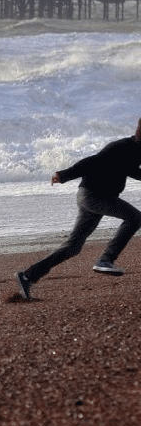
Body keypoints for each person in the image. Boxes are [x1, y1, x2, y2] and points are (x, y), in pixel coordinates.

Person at [16, 118, 141, 300]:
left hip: (94, 197)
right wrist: (64, 174)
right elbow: (92, 161)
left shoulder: (135, 150)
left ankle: (28, 276)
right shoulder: (121, 146)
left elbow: (132, 171)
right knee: (135, 218)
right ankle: (106, 260)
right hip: (94, 196)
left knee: (73, 247)